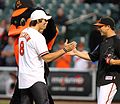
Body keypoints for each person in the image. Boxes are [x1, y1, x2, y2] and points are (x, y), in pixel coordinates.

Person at [18, 9, 76, 104]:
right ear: (37, 21)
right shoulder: (38, 36)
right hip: (35, 77)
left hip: (23, 77)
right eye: (44, 20)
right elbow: (47, 58)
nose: (46, 22)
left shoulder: (23, 33)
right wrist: (65, 50)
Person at [69, 16, 120, 104]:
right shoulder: (103, 42)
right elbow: (92, 57)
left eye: (100, 26)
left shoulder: (117, 42)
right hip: (101, 78)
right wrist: (77, 53)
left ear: (108, 27)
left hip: (111, 78)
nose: (98, 28)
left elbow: (113, 61)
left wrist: (114, 62)